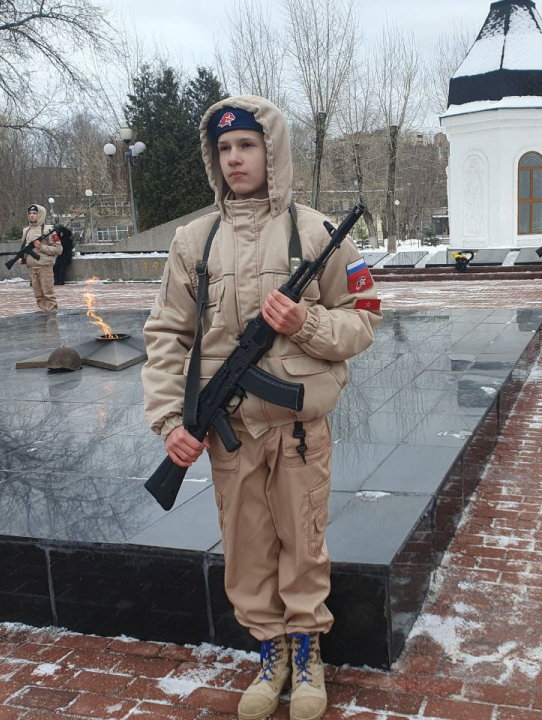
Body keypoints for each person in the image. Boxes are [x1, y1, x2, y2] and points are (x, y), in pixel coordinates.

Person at [141, 96, 381, 720]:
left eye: (246, 145)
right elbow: (167, 335)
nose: (234, 159)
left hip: (299, 429)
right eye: (224, 149)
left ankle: (306, 653)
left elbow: (365, 324)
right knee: (246, 549)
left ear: (271, 152)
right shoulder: (195, 240)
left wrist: (304, 323)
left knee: (302, 542)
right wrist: (172, 422)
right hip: (229, 434)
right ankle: (270, 650)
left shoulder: (315, 232)